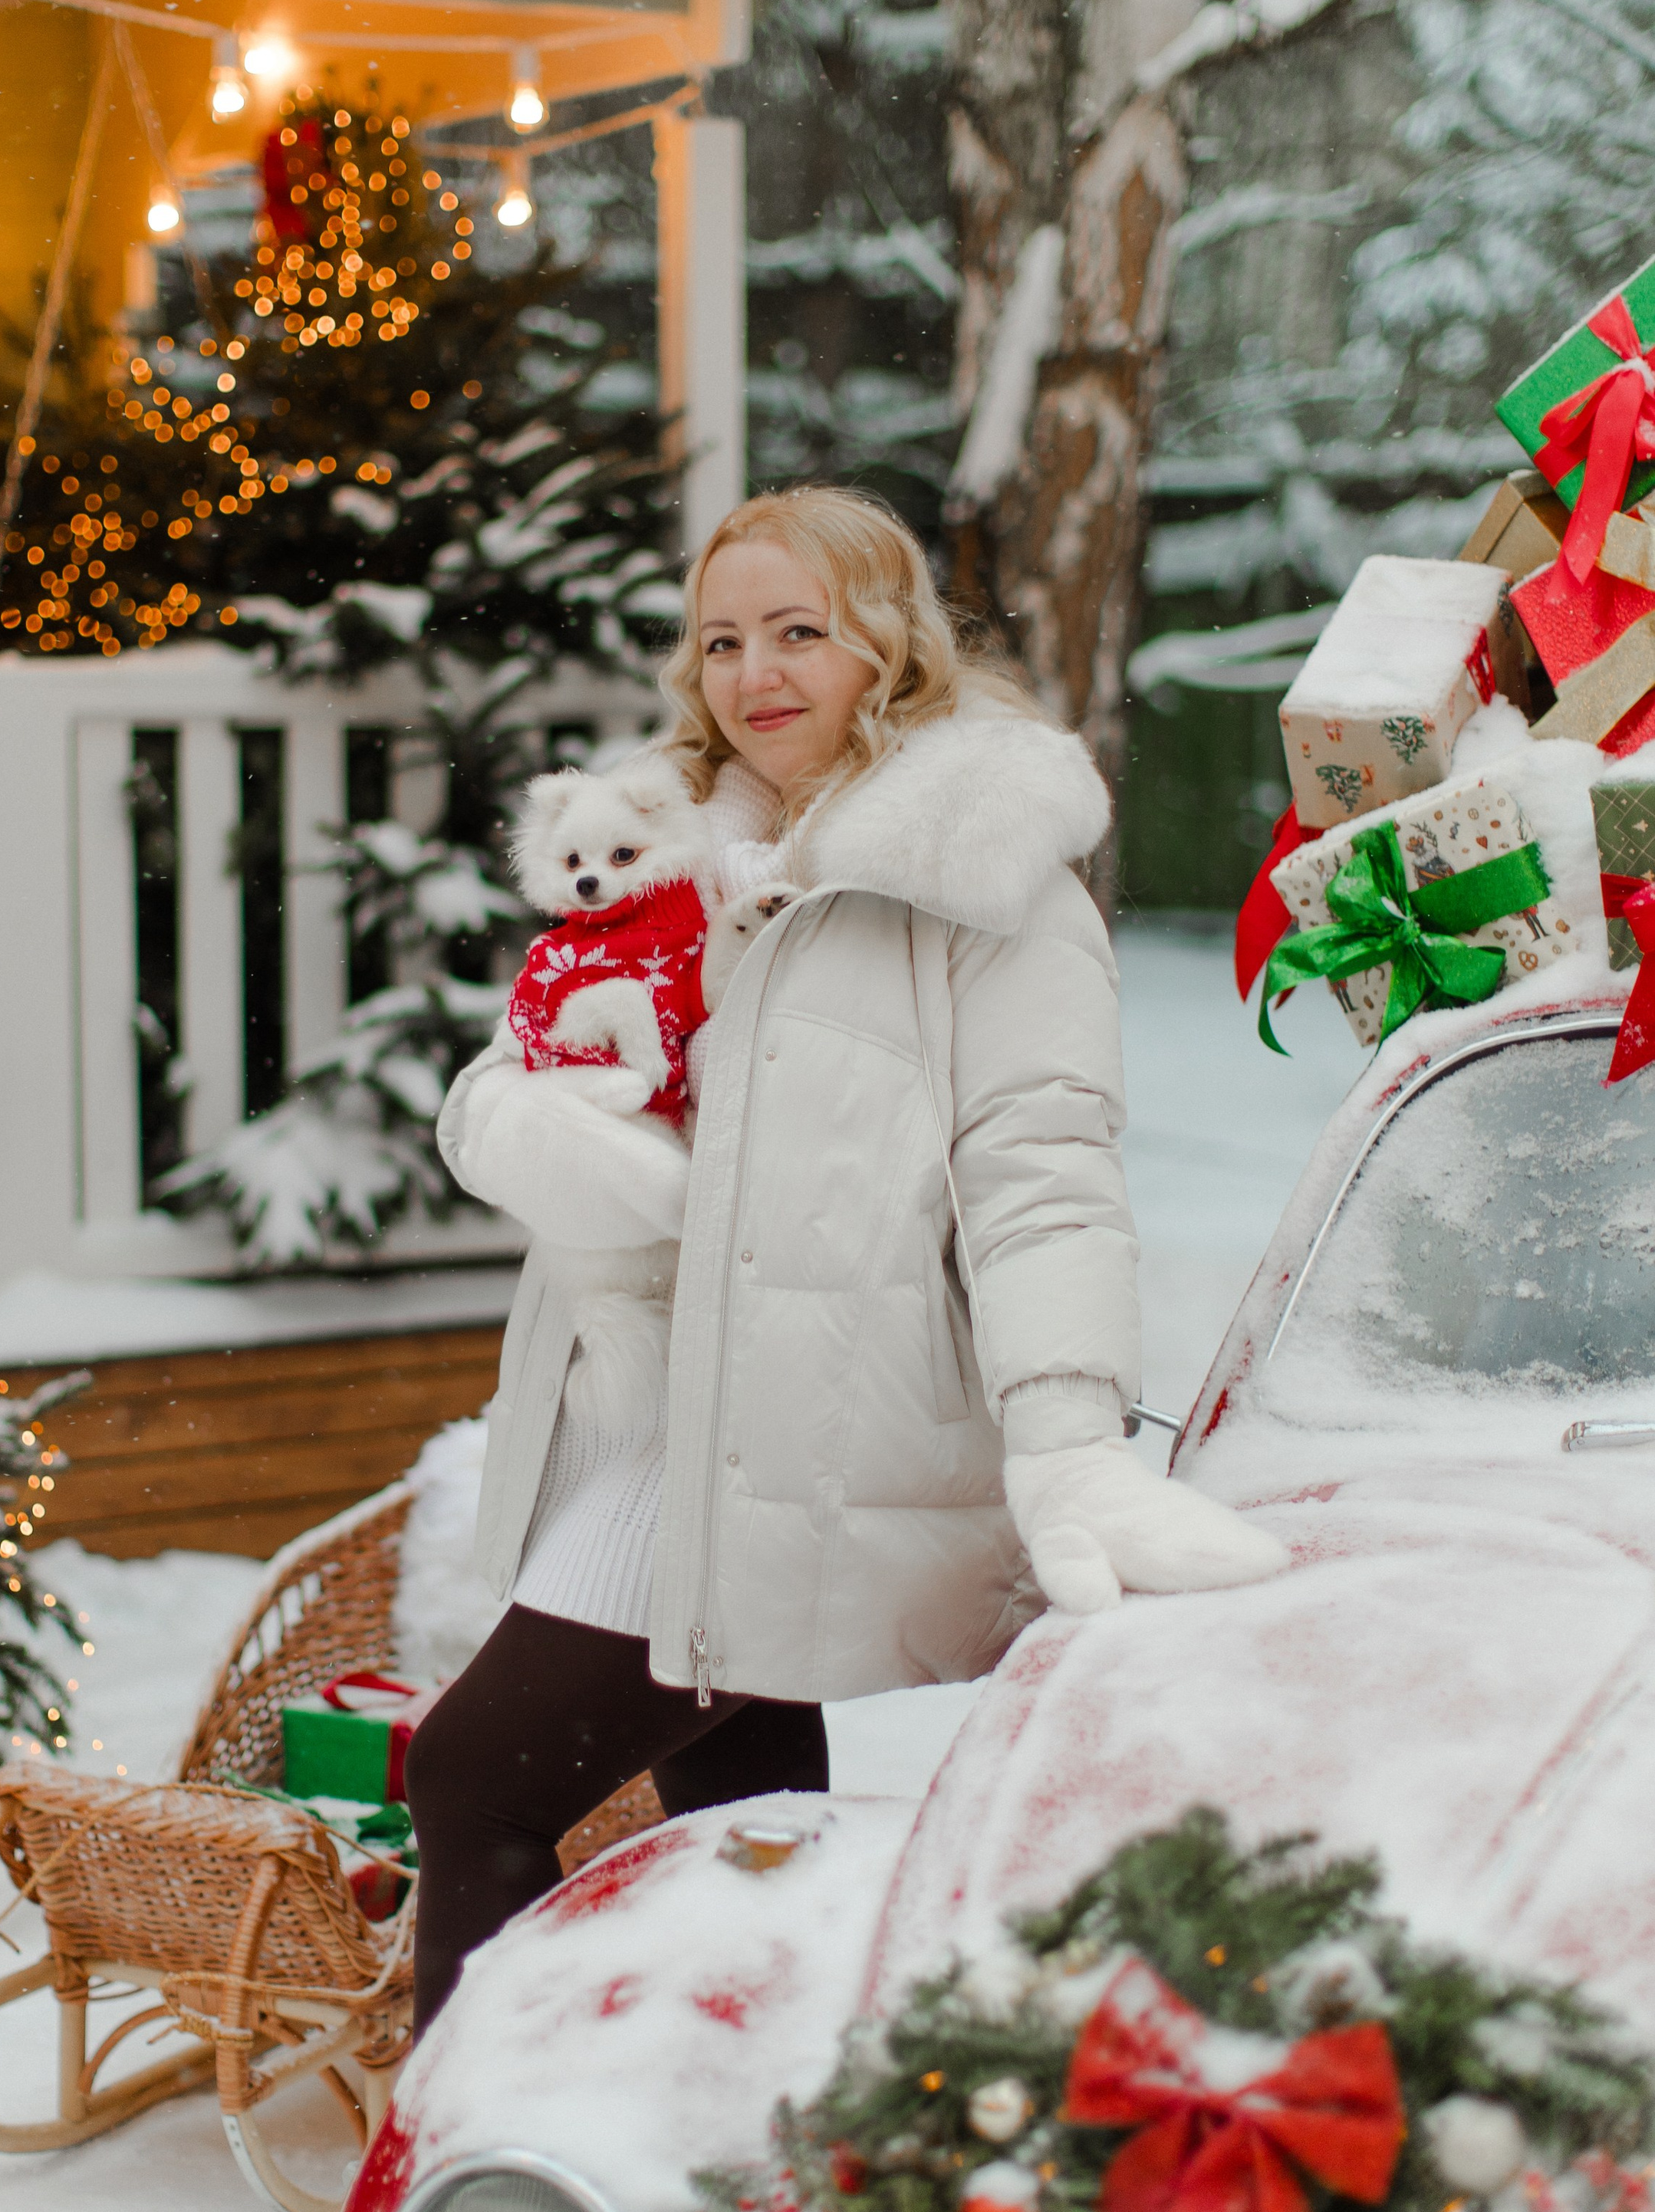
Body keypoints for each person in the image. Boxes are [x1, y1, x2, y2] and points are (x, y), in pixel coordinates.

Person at [406, 485, 1283, 2031]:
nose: (756, 671)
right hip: (653, 1405)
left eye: (801, 630)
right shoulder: (675, 858)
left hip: (798, 1431)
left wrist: (1067, 1434)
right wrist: (520, 1126)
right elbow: (549, 1062)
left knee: (476, 1772)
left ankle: (453, 2186)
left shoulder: (974, 883)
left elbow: (1042, 1178)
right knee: (734, 1818)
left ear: (887, 644)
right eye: (723, 635)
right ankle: (737, 2123)